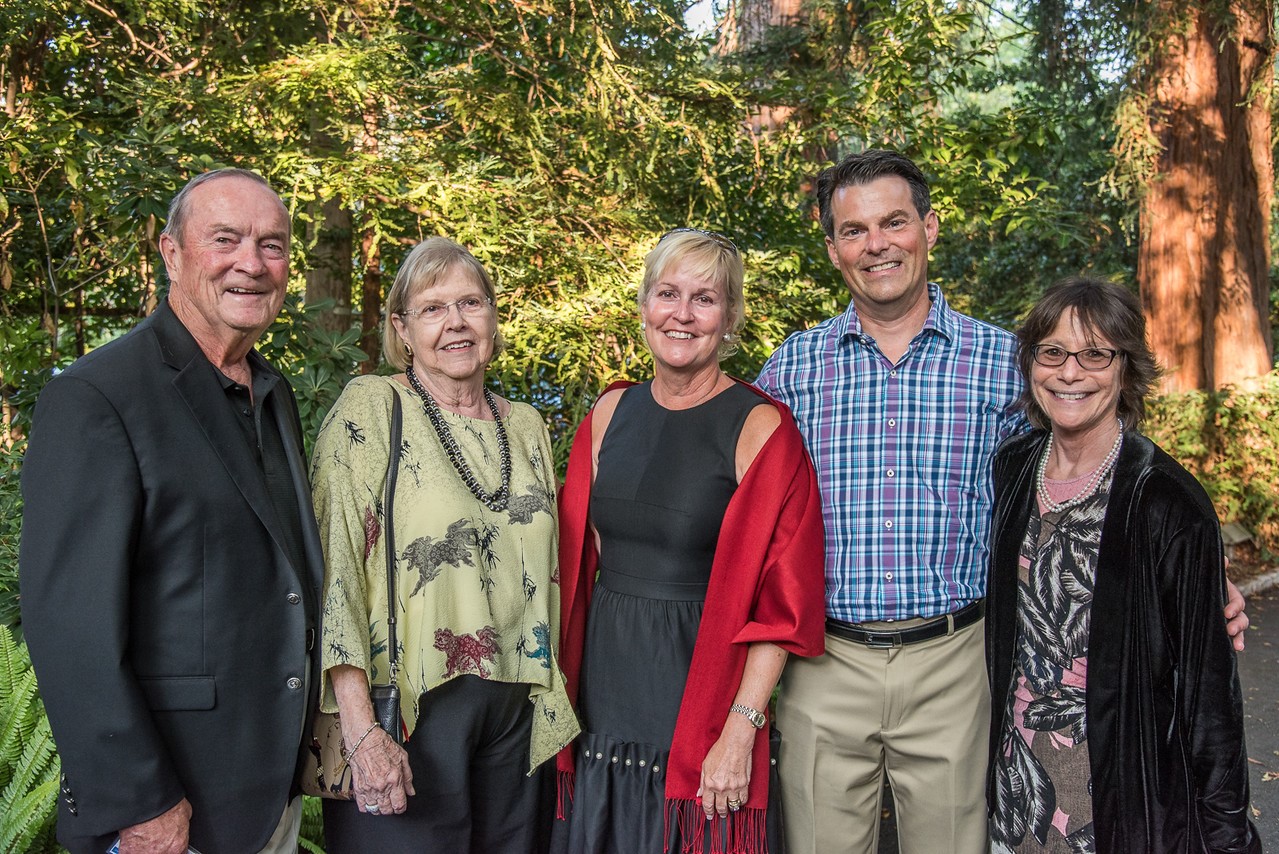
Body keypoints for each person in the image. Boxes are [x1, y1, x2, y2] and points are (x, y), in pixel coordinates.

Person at [753, 149, 1251, 854]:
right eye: (854, 230)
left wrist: (1191, 578)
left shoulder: (1004, 363)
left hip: (956, 663)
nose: (876, 245)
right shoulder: (790, 369)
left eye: (893, 222)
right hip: (823, 662)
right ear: (831, 246)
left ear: (928, 227)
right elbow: (744, 513)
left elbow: (1089, 474)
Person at [19, 169, 322, 853]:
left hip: (266, 795)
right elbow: (71, 627)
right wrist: (141, 802)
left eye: (272, 245)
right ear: (171, 252)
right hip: (167, 809)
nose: (252, 262)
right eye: (226, 239)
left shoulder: (271, 394)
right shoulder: (99, 397)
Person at [554, 228, 827, 854]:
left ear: (729, 318)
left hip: (700, 688)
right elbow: (571, 566)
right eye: (667, 293)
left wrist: (740, 728)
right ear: (644, 305)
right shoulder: (608, 413)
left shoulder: (762, 427)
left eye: (704, 299)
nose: (682, 313)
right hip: (603, 694)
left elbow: (781, 608)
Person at [310, 236, 579, 852]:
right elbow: (335, 573)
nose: (456, 322)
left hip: (519, 714)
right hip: (409, 715)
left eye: (471, 302)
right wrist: (359, 729)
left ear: (492, 318)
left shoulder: (527, 426)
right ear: (402, 329)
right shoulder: (372, 409)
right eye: (433, 308)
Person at [985, 277, 1260, 853]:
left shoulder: (1167, 501)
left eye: (1094, 354)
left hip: (1119, 805)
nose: (1070, 372)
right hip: (1019, 795)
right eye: (1052, 352)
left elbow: (1210, 699)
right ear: (1031, 364)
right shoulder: (1013, 469)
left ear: (1126, 369)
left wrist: (1228, 837)